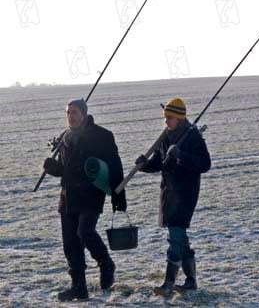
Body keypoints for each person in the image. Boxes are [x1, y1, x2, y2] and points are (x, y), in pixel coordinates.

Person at [43, 98, 127, 301]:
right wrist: (55, 170)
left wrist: (119, 195)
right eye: (68, 113)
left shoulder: (102, 136)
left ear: (84, 114)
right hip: (68, 196)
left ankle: (106, 263)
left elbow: (115, 166)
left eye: (74, 112)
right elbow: (67, 170)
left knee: (85, 231)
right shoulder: (65, 137)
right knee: (70, 243)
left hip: (91, 194)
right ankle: (79, 287)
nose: (70, 116)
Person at [135, 97, 211, 296]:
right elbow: (160, 162)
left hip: (185, 194)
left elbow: (205, 164)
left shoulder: (192, 137)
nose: (166, 121)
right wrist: (144, 165)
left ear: (179, 118)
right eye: (165, 118)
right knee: (180, 237)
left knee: (176, 236)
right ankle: (191, 281)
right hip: (169, 193)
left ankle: (168, 284)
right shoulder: (166, 136)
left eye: (169, 118)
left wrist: (181, 156)